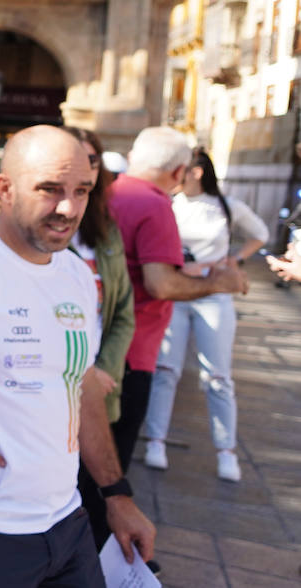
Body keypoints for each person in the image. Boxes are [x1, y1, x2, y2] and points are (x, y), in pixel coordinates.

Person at [0, 126, 156, 585]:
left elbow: (78, 388)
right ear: (4, 189)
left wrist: (116, 494)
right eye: (50, 189)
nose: (69, 208)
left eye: (81, 191)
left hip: (67, 522)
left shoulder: (78, 276)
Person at [107, 127, 249, 473]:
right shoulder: (155, 205)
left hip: (103, 340)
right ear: (177, 172)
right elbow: (161, 284)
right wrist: (217, 283)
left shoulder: (109, 193)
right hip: (131, 348)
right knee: (112, 462)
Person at [142, 147, 266, 482]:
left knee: (218, 376)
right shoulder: (169, 204)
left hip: (214, 296)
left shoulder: (227, 206)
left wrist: (234, 260)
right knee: (166, 370)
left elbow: (261, 234)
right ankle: (156, 442)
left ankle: (226, 450)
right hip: (178, 291)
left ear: (195, 172)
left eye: (181, 169)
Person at [65, 127, 137, 549]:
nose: (84, 167)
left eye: (91, 159)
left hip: (100, 384)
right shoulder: (40, 233)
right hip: (55, 384)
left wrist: (103, 369)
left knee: (96, 489)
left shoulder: (107, 233)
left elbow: (124, 312)